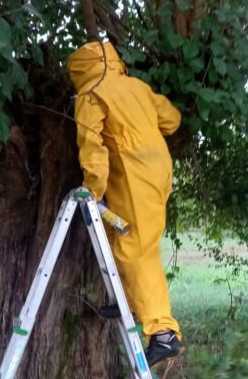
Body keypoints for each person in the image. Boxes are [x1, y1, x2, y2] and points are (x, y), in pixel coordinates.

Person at [68, 41, 184, 368]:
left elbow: (92, 149)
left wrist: (92, 189)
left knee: (135, 248)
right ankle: (130, 301)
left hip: (133, 175)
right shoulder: (137, 86)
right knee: (128, 236)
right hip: (155, 171)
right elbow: (172, 119)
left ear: (80, 69)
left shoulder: (91, 94)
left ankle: (164, 334)